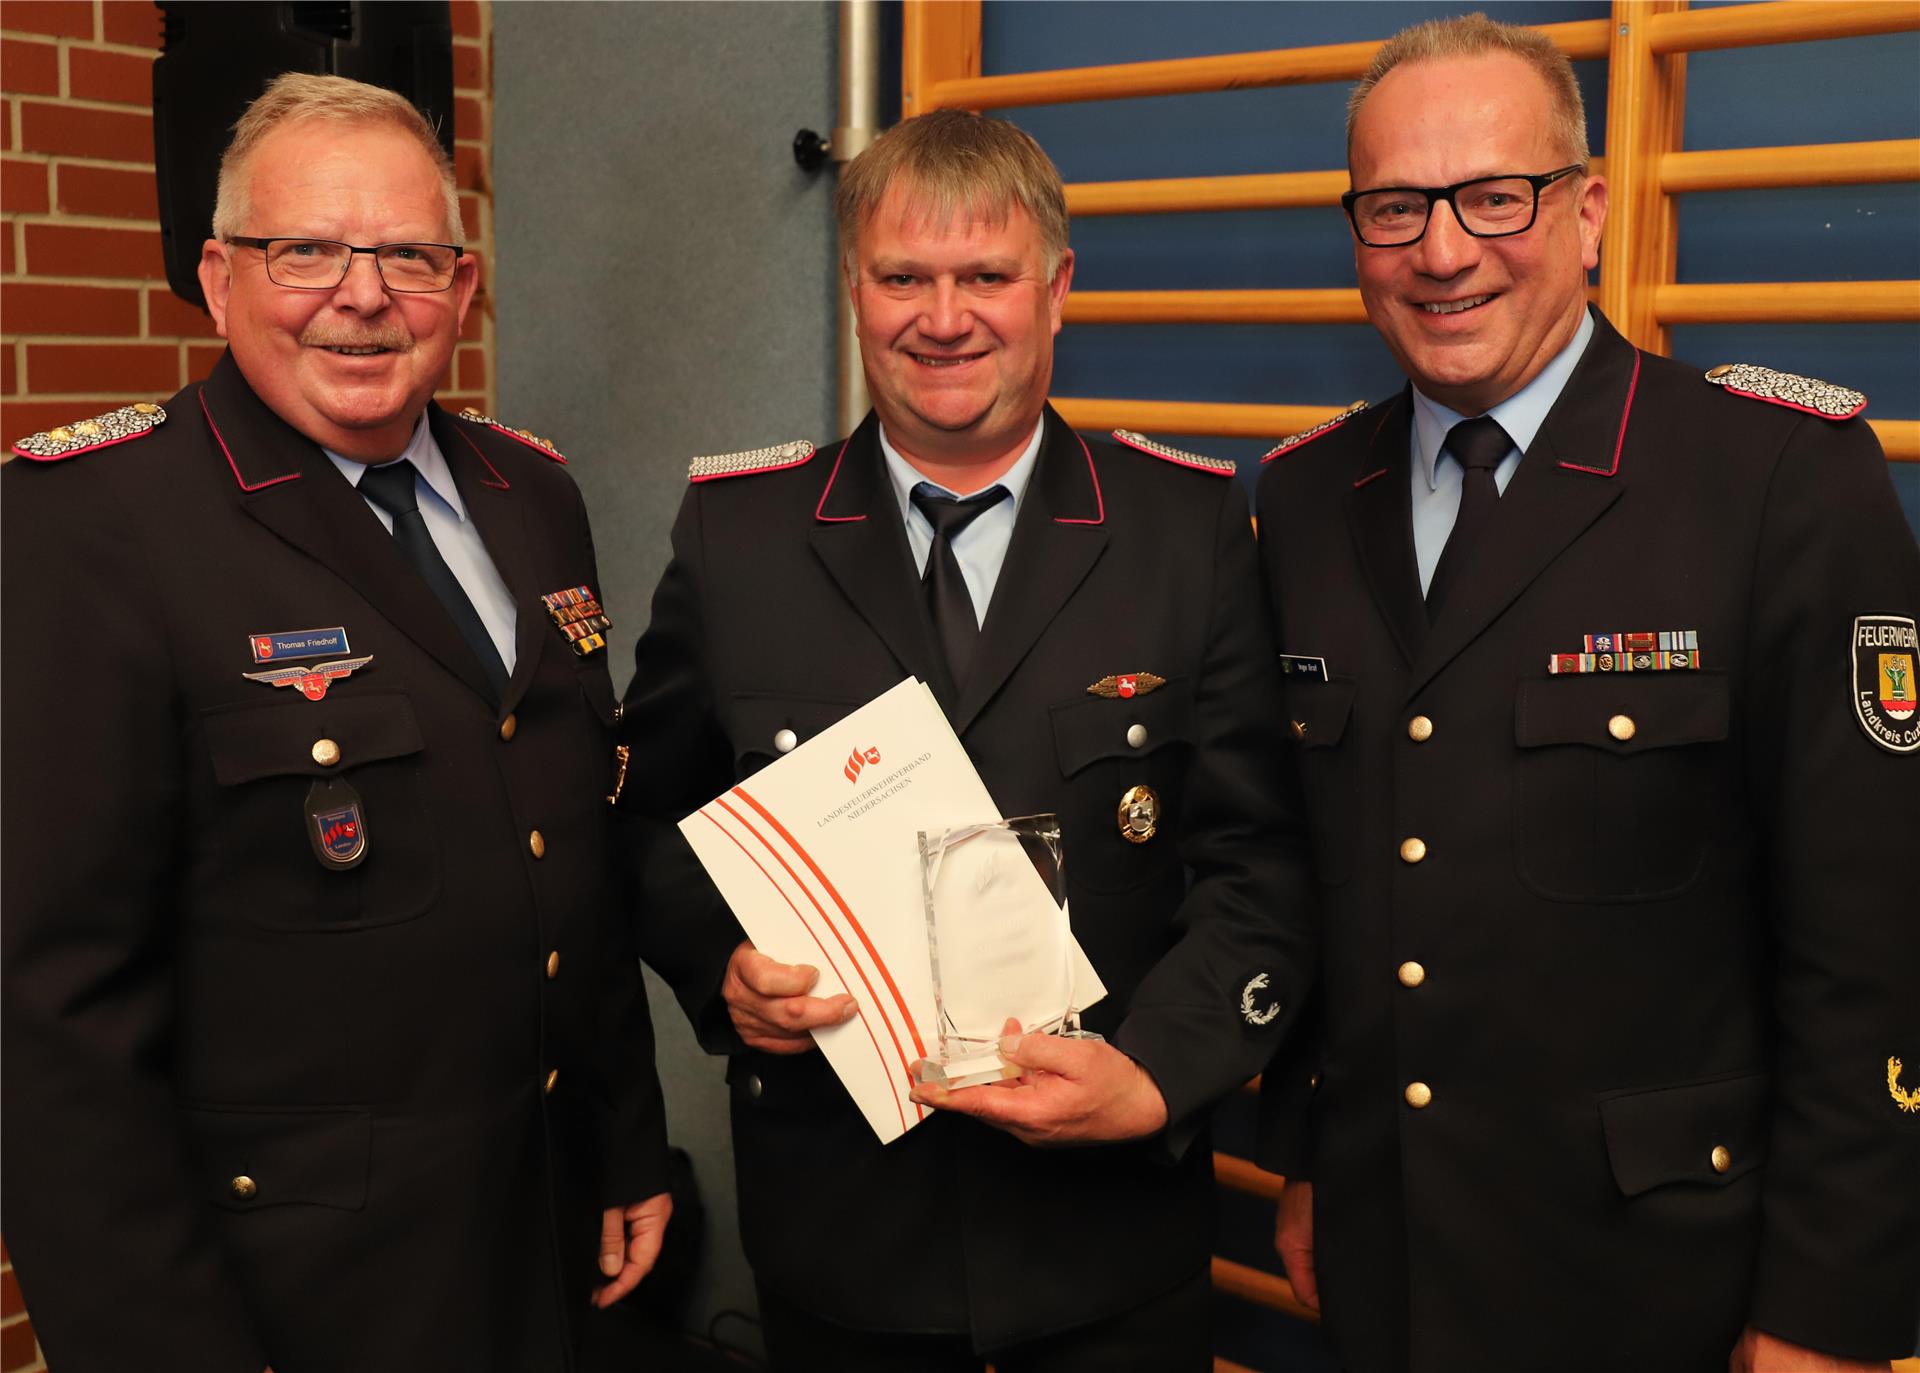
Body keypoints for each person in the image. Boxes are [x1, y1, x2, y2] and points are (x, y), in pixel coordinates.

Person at [1252, 13, 1920, 1372]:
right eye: (1395, 209)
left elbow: (1878, 943)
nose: (1443, 251)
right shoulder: (1309, 495)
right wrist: (1314, 1152)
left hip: (1666, 1279)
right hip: (1389, 1256)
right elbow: (1331, 870)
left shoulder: (1775, 479)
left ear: (1590, 211)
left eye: (1495, 196)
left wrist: (1828, 1306)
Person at [615, 108, 1315, 1371]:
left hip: (1111, 1238)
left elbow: (1260, 865)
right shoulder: (739, 540)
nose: (944, 318)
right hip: (841, 1239)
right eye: (904, 278)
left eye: (986, 276)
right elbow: (652, 823)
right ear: (854, 290)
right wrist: (722, 961)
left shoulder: (1185, 532)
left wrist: (1156, 1074)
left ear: (1056, 292)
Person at [1, 74, 671, 1373]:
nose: (363, 296)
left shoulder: (533, 496)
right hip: (292, 1297)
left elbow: (569, 853)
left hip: (542, 1240)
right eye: (304, 248)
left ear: (463, 288)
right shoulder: (96, 527)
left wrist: (624, 1134)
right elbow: (51, 1016)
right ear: (217, 275)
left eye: (410, 255)